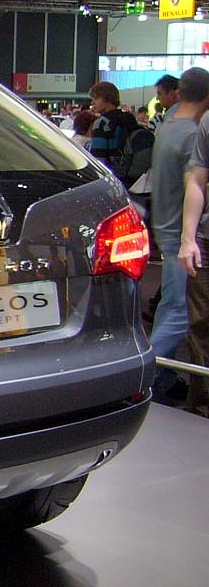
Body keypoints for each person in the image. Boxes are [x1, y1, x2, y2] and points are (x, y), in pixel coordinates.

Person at [149, 67, 209, 404]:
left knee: (170, 305)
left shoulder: (170, 123)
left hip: (166, 225)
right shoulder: (190, 133)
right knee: (179, 312)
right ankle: (147, 377)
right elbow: (193, 186)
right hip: (183, 232)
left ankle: (164, 375)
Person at [179, 102, 209, 416]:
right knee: (200, 324)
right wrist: (188, 239)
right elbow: (197, 181)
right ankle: (201, 404)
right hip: (206, 241)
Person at [88, 81, 139, 170]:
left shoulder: (101, 123)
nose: (92, 102)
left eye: (96, 98)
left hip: (112, 173)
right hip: (131, 172)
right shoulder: (130, 119)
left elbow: (98, 160)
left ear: (107, 98)